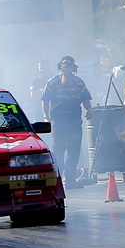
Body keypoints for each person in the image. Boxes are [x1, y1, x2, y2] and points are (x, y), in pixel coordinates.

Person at [41, 55, 92, 188]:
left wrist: (89, 109)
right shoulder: (52, 82)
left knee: (73, 151)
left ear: (73, 69)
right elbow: (45, 100)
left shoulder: (79, 83)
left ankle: (70, 180)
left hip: (75, 123)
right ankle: (58, 179)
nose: (66, 70)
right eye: (64, 68)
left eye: (68, 68)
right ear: (60, 68)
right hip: (58, 124)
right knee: (58, 151)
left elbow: (86, 98)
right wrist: (46, 116)